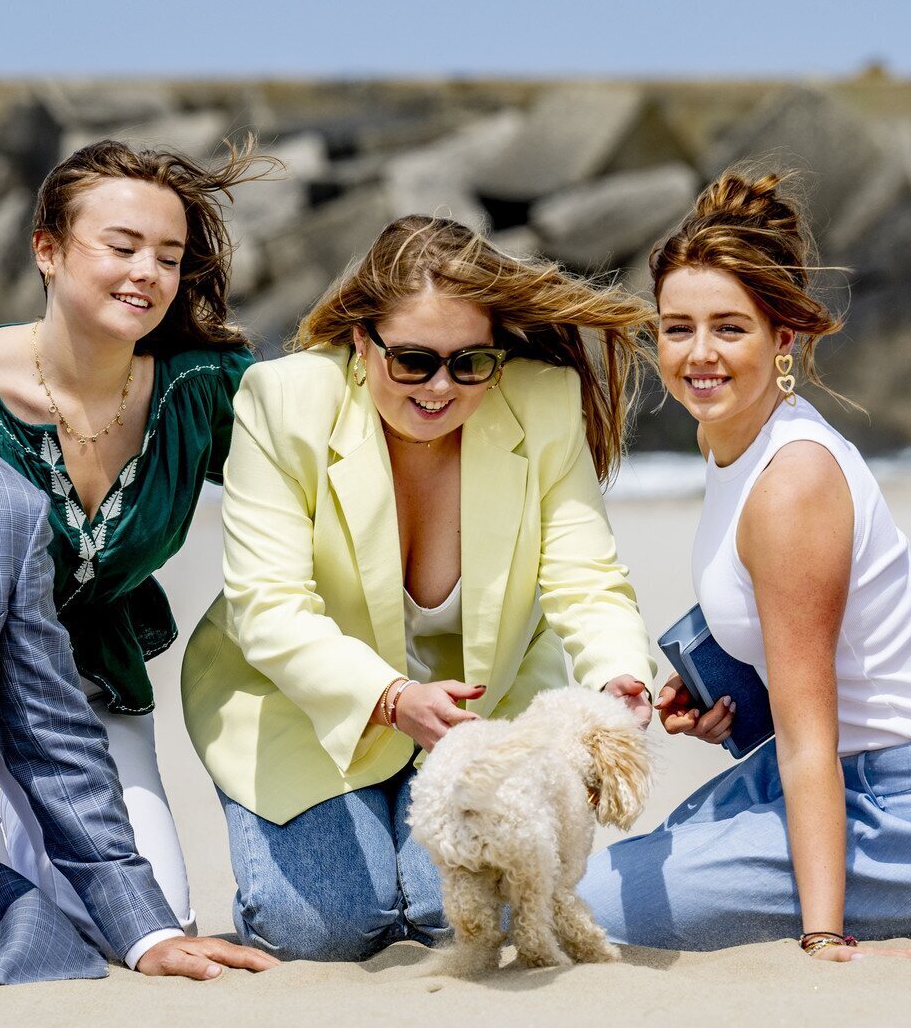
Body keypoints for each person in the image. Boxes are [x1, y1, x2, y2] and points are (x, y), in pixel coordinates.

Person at [182, 214, 657, 961]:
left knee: (457, 920)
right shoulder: (282, 402)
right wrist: (394, 700)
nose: (442, 386)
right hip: (297, 707)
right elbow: (267, 608)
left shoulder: (542, 401)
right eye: (413, 361)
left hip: (482, 719)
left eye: (471, 362)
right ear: (362, 341)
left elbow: (586, 574)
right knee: (325, 931)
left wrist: (617, 678)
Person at [578, 171, 911, 964]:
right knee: (630, 864)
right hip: (839, 770)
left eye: (728, 328)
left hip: (909, 801)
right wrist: (723, 692)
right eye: (678, 328)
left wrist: (825, 937)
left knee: (586, 905)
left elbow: (812, 737)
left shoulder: (791, 482)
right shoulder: (731, 441)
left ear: (782, 337)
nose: (699, 354)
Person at [0, 138, 270, 948]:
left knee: (151, 924)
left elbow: (328, 461)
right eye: (122, 246)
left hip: (92, 693)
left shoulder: (201, 384)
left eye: (168, 257)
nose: (148, 273)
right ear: (48, 250)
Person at [0, 432, 278, 983]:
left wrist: (146, 932)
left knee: (162, 917)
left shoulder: (4, 507)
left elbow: (47, 728)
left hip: (42, 711)